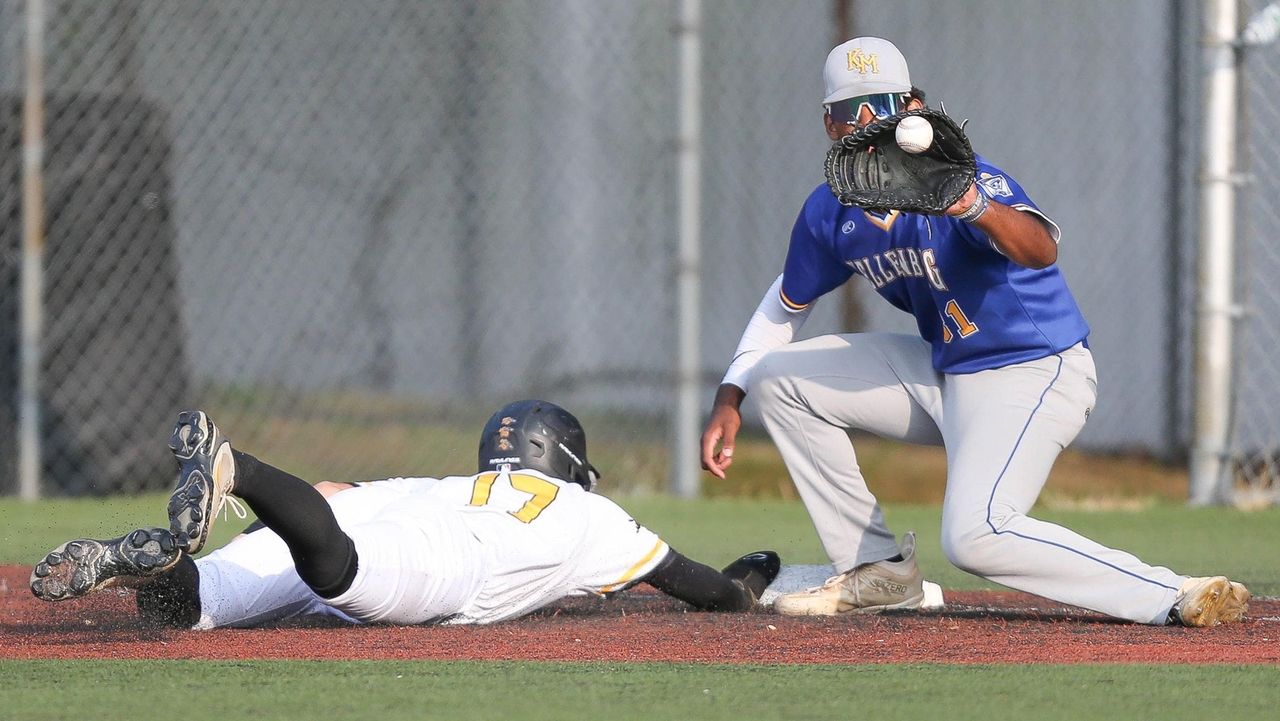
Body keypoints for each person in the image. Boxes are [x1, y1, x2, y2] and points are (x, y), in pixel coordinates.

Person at [699, 36, 1249, 627]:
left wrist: (968, 204)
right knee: (778, 377)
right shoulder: (830, 211)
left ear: (911, 107)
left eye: (880, 105)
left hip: (1032, 368)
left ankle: (1170, 592)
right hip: (945, 372)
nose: (866, 123)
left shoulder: (961, 178)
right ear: (830, 125)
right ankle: (878, 572)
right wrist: (730, 396)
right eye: (850, 111)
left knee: (976, 536)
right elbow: (783, 306)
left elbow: (1040, 249)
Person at [32, 400, 780, 628]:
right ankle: (239, 466)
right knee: (341, 571)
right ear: (568, 462)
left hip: (354, 511)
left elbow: (333, 492)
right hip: (448, 563)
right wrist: (743, 583)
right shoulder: (594, 512)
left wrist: (275, 522)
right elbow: (700, 586)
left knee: (196, 603)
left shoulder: (449, 480)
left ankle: (156, 564)